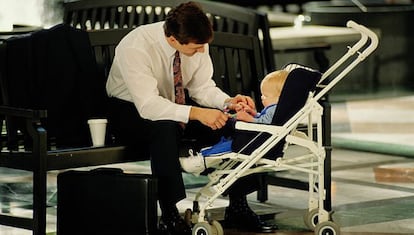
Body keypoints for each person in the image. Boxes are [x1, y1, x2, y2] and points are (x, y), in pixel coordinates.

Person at [106, 2, 275, 234]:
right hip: (129, 111)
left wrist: (227, 103)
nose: (201, 51)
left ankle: (238, 205)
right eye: (195, 48)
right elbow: (148, 106)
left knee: (234, 126)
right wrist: (197, 113)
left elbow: (202, 87)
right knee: (163, 129)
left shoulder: (197, 43)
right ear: (173, 40)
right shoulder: (136, 46)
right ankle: (170, 213)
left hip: (175, 105)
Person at [180, 69, 289, 172]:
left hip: (252, 141)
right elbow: (266, 120)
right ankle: (204, 156)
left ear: (280, 97)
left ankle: (202, 160)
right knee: (227, 138)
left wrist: (249, 118)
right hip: (255, 139)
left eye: (266, 96)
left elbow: (266, 125)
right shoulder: (280, 109)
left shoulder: (275, 108)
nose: (262, 98)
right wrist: (254, 114)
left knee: (228, 144)